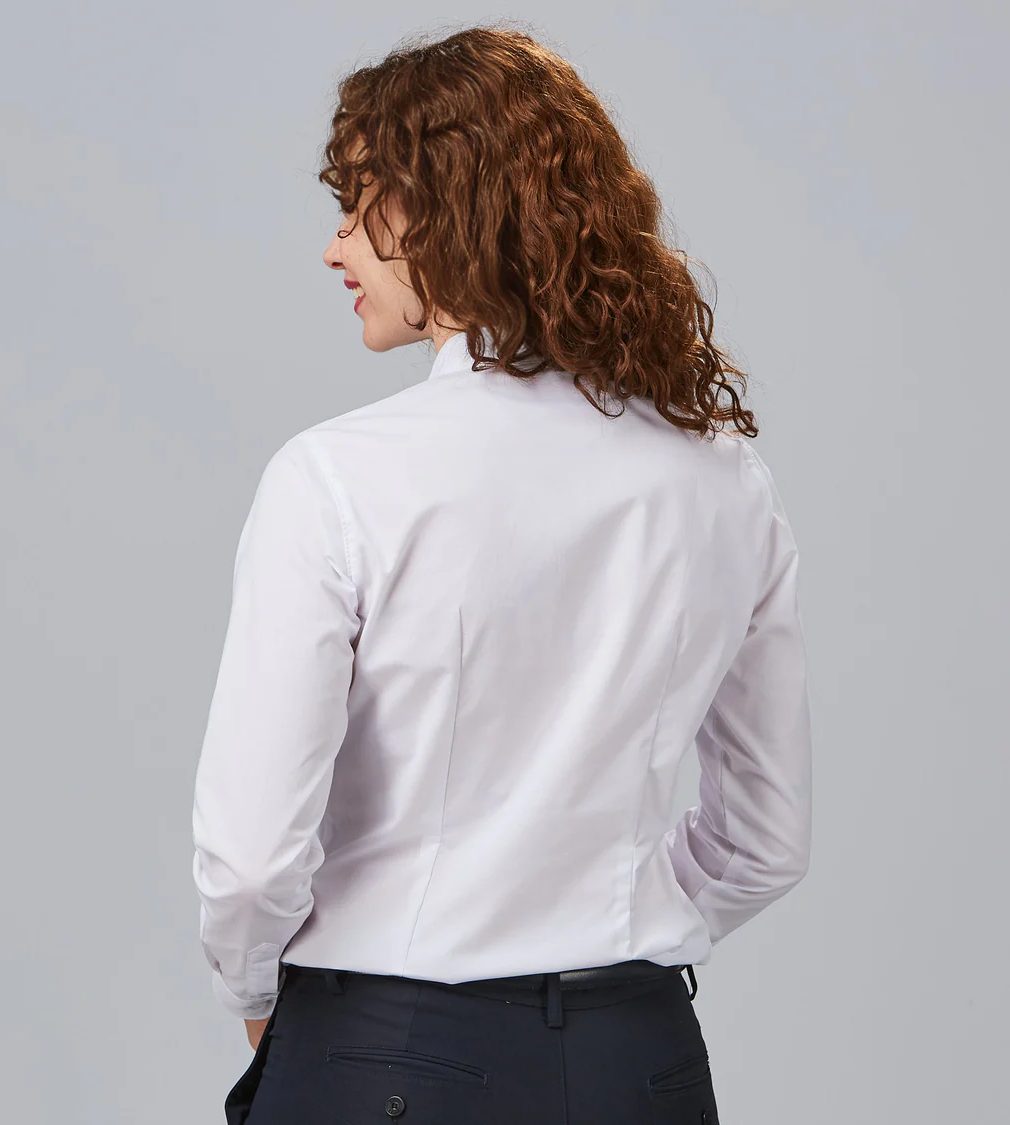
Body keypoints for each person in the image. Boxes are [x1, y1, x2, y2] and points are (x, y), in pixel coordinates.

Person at [191, 22, 811, 1125]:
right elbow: (764, 841)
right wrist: (606, 929)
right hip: (641, 1063)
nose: (334, 248)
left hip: (390, 1055)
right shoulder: (724, 480)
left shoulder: (339, 478)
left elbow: (249, 862)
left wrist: (257, 996)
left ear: (439, 212)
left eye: (357, 208)